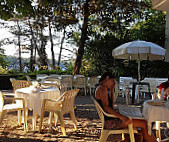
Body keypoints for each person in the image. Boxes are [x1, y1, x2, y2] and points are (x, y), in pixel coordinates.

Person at [95, 72, 157, 142]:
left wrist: (112, 90)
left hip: (110, 119)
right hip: (110, 122)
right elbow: (106, 107)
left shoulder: (100, 87)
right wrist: (122, 117)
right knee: (144, 123)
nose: (113, 83)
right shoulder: (102, 89)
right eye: (112, 81)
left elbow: (110, 106)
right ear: (107, 78)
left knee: (142, 123)